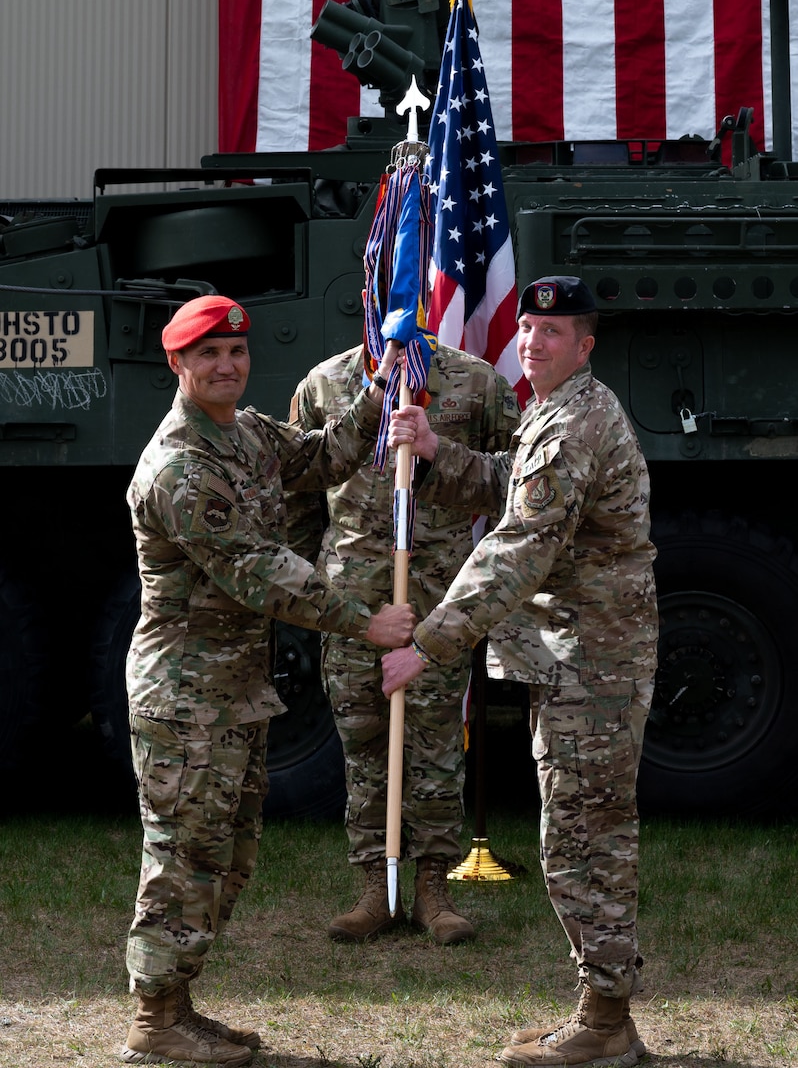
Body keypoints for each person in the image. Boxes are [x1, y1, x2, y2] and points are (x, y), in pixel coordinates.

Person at [121, 294, 415, 1068]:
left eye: (237, 353)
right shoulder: (183, 467)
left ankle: (180, 1003)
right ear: (177, 364)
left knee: (226, 854)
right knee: (184, 856)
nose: (227, 365)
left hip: (233, 688)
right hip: (185, 697)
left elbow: (319, 458)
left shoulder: (245, 433)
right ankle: (154, 1021)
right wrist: (366, 620)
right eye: (209, 354)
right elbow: (261, 572)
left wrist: (381, 385)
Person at [383, 276, 658, 1068]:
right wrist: (438, 453)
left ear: (586, 346)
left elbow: (518, 546)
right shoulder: (558, 411)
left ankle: (605, 1023)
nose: (534, 342)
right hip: (576, 657)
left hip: (592, 666)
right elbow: (517, 487)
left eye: (554, 332)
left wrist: (428, 641)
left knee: (585, 841)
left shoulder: (576, 421)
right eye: (529, 329)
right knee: (580, 834)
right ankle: (603, 1012)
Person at [286, 337, 520, 945]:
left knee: (437, 746)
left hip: (437, 601)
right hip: (352, 605)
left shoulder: (476, 381)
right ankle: (373, 887)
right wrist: (313, 592)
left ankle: (432, 890)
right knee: (364, 744)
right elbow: (300, 493)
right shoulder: (324, 385)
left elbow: (514, 485)